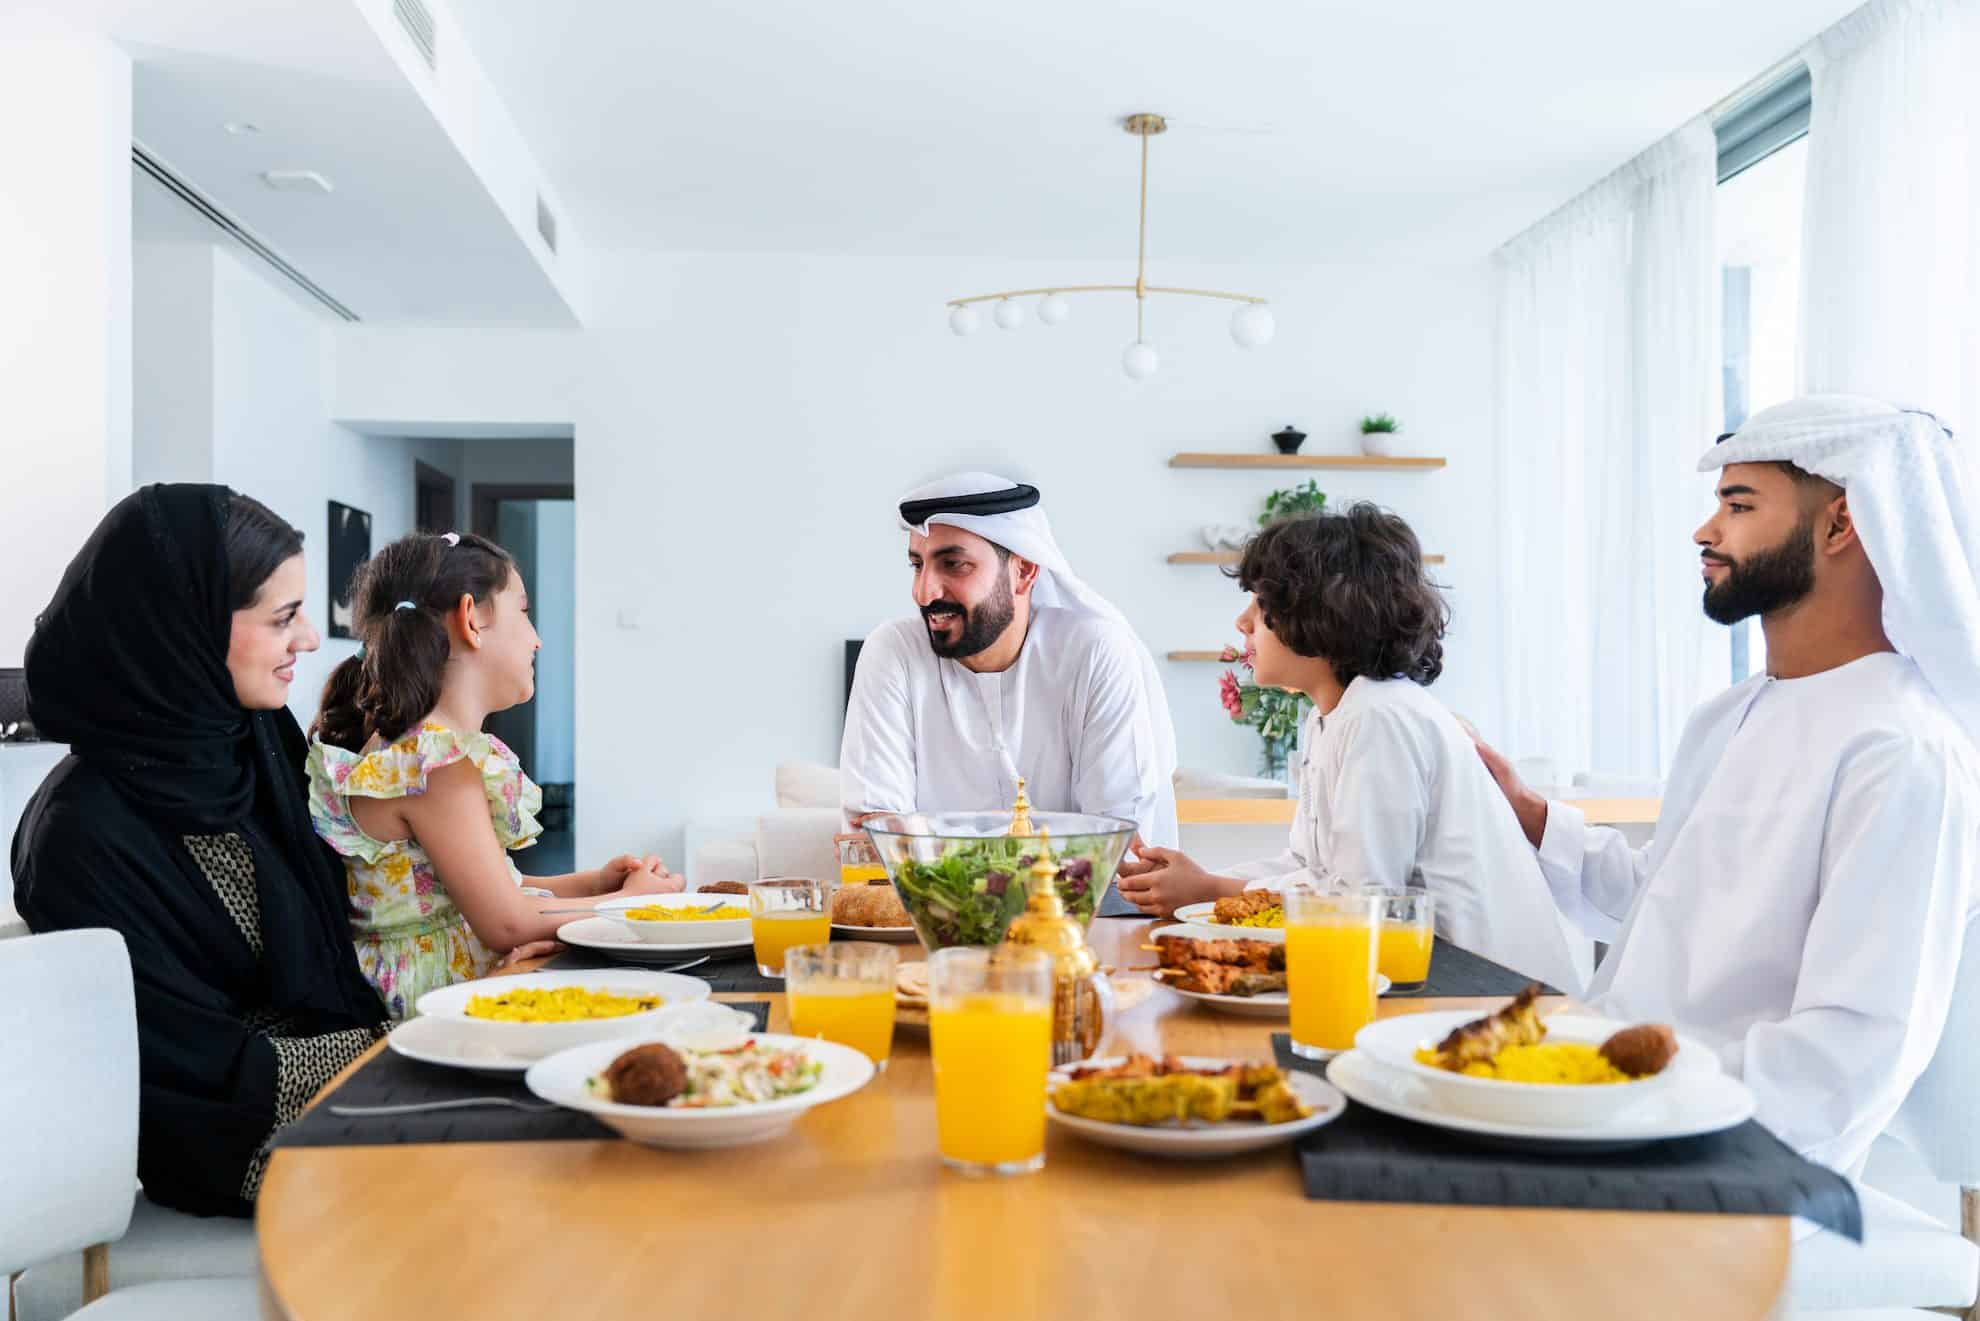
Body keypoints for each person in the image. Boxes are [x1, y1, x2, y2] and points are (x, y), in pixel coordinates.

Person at [1473, 396, 1980, 1176]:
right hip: (1610, 1106)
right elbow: (1668, 901)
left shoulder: (1904, 747)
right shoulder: (1731, 713)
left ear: (1841, 524)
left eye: (1738, 505)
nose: (1706, 532)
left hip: (1731, 1157)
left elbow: (1847, 1058)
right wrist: (1531, 815)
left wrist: (1620, 1104)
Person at [12, 485, 388, 1216]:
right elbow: (193, 1068)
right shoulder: (78, 836)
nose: (310, 639)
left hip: (351, 1079)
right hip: (233, 1138)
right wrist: (398, 1046)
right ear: (180, 629)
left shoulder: (253, 744)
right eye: (283, 618)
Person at [1115, 504, 1587, 992]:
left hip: (1491, 993)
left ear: (1320, 613)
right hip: (1434, 981)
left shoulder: (1379, 717)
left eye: (1259, 603)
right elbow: (1307, 868)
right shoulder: (1334, 716)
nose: (1242, 621)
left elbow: (1358, 902)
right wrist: (1201, 886)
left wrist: (1212, 891)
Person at [307, 530, 681, 1020]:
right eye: (523, 612)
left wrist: (595, 884)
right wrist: (628, 906)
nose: (537, 638)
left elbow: (500, 887)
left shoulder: (419, 750)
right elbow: (505, 923)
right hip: (431, 1005)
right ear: (472, 619)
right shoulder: (435, 767)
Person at [840, 472, 1179, 845]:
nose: (924, 591)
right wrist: (1047, 837)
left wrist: (927, 840)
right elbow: (871, 843)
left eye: (954, 564)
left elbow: (1119, 842)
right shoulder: (893, 653)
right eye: (917, 565)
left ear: (1024, 570)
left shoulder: (1095, 651)